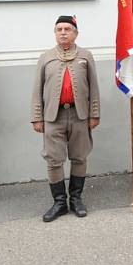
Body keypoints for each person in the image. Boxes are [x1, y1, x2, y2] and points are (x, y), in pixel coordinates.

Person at [31, 16, 100, 222]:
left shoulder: (86, 56)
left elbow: (94, 88)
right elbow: (37, 90)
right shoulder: (45, 57)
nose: (63, 32)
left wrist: (94, 113)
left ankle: (76, 199)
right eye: (59, 29)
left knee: (79, 157)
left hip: (79, 115)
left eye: (67, 29)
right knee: (53, 159)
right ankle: (59, 202)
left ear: (75, 33)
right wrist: (37, 117)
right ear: (55, 33)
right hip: (54, 116)